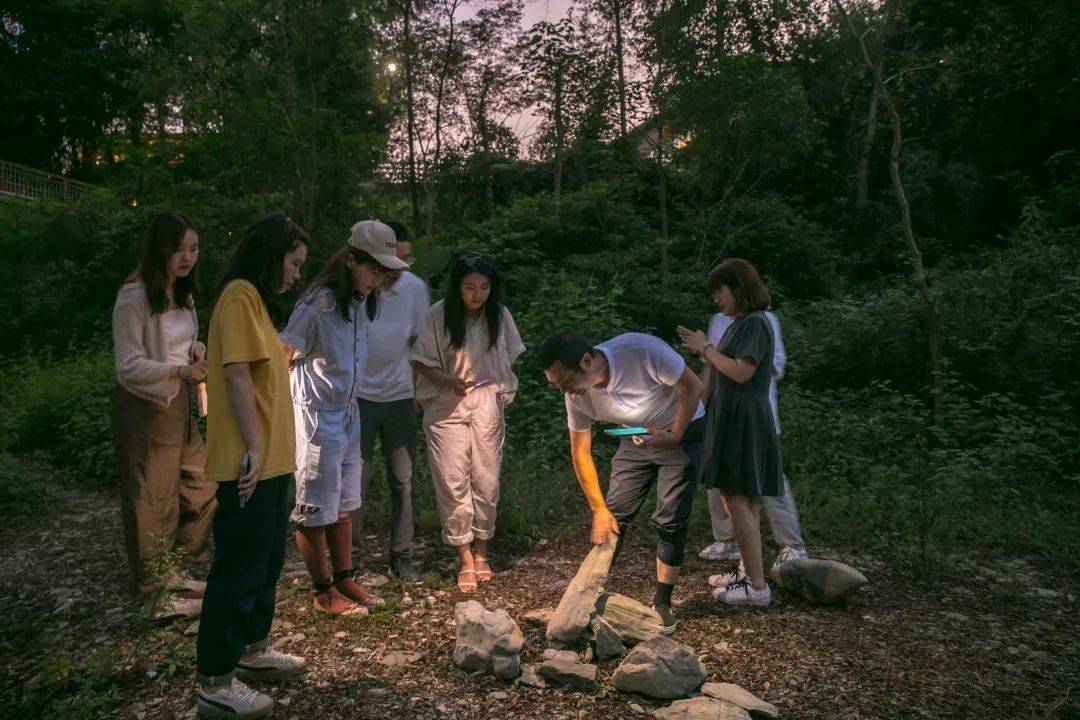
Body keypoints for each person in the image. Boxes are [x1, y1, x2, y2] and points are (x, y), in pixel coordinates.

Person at [195, 212, 309, 719]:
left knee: (265, 561)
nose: (297, 273)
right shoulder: (240, 294)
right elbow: (236, 375)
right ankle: (215, 681)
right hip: (249, 460)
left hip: (271, 459)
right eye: (294, 261)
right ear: (272, 253)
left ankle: (252, 650)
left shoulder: (257, 303)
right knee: (239, 564)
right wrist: (256, 446)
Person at [280, 220, 408, 616]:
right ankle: (322, 591)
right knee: (315, 506)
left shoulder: (359, 302)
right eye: (374, 270)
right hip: (316, 416)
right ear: (351, 260)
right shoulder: (316, 305)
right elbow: (284, 354)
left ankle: (344, 577)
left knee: (345, 500)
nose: (378, 279)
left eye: (383, 272)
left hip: (350, 411)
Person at [539, 330, 705, 633]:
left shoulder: (642, 351)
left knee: (670, 518)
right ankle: (586, 596)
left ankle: (662, 603)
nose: (564, 390)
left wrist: (676, 434)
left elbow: (693, 387)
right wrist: (597, 509)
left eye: (565, 381)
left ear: (587, 361)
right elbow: (580, 452)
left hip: (682, 430)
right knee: (613, 516)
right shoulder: (575, 396)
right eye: (556, 385)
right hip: (634, 436)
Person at [111, 211, 216, 611]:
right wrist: (179, 369)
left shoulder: (184, 293)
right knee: (153, 499)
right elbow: (128, 366)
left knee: (204, 488)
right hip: (144, 407)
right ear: (160, 251)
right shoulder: (134, 296)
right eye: (179, 249)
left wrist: (196, 351)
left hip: (180, 403)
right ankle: (152, 593)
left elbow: (181, 342)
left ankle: (175, 570)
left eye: (193, 248)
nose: (187, 257)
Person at [410, 253, 525, 593]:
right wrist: (448, 380)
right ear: (458, 286)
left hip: (486, 401)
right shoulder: (438, 314)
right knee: (452, 478)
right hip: (446, 405)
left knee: (486, 478)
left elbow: (507, 360)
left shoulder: (499, 315)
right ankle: (464, 556)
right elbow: (420, 361)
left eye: (485, 287)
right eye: (470, 287)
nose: (477, 294)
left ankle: (483, 551)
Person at [677, 258, 782, 608]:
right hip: (731, 418)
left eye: (720, 291)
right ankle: (748, 570)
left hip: (744, 419)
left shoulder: (755, 322)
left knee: (739, 498)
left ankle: (757, 587)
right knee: (735, 498)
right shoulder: (740, 323)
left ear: (738, 288)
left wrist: (705, 349)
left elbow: (741, 372)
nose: (717, 299)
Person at [697, 307, 808, 575]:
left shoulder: (762, 320)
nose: (717, 299)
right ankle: (728, 540)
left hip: (755, 415)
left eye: (721, 291)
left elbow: (772, 366)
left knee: (768, 479)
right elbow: (711, 367)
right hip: (721, 413)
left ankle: (791, 545)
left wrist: (731, 359)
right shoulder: (718, 319)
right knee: (719, 477)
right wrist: (700, 406)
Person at [352, 221, 430, 581]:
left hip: (399, 396)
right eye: (392, 258)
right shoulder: (362, 286)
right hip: (360, 397)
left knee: (403, 478)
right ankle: (349, 558)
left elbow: (419, 343)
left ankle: (401, 555)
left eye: (405, 258)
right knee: (358, 478)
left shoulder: (415, 290)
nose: (399, 266)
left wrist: (416, 390)